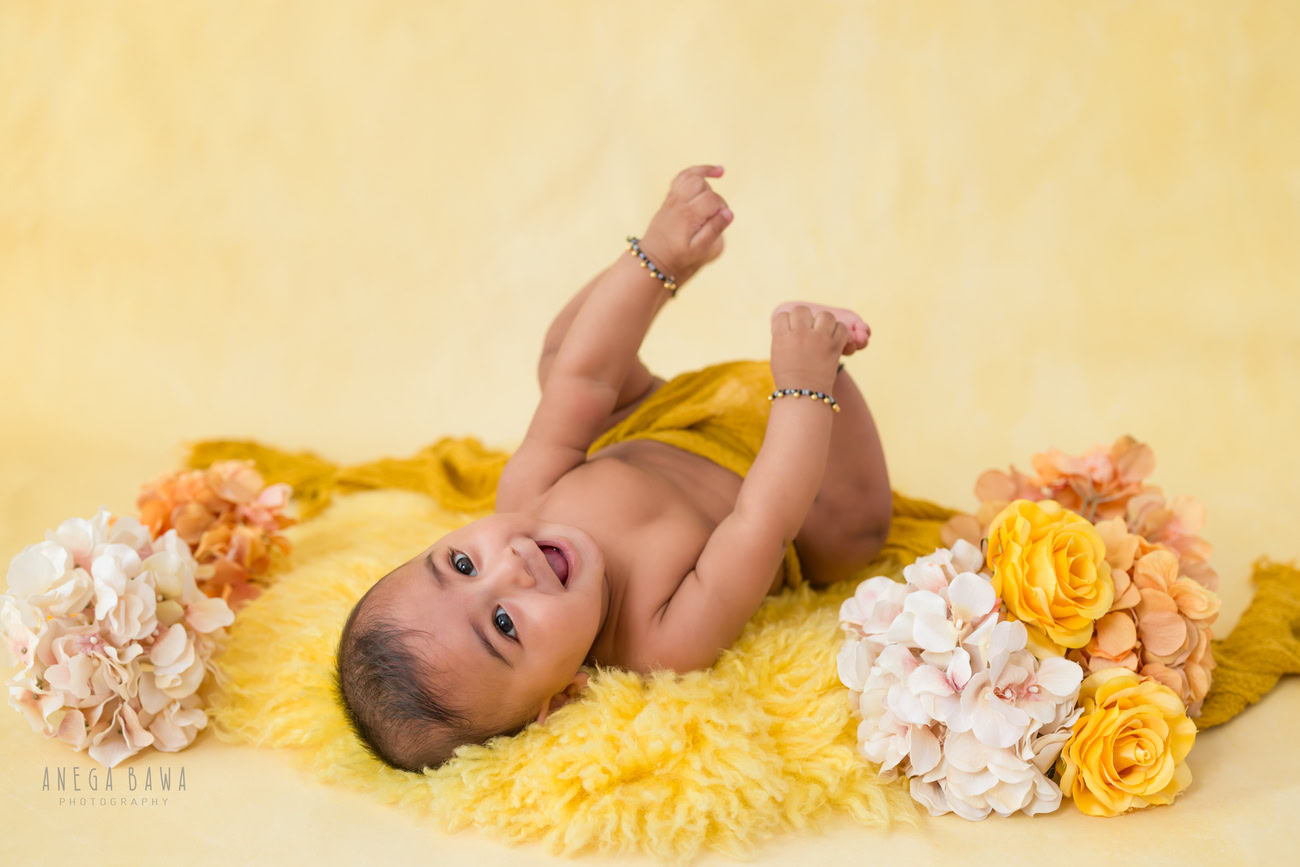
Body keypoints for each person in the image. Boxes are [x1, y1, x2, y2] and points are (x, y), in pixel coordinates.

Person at [334, 165, 892, 772]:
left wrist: (653, 261)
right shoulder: (660, 642)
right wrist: (804, 387)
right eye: (503, 624)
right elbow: (761, 522)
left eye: (462, 563)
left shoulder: (526, 498)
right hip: (788, 465)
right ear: (565, 694)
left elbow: (587, 380)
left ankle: (667, 255)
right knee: (851, 537)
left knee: (560, 358)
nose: (511, 567)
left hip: (667, 421)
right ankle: (823, 352)